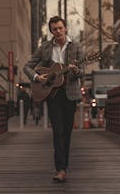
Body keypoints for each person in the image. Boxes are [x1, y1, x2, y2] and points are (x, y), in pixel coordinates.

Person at [23, 16, 84, 182]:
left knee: (67, 132)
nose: (57, 31)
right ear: (51, 31)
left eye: (60, 28)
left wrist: (75, 70)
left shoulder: (76, 47)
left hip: (70, 94)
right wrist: (37, 77)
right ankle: (61, 169)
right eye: (54, 29)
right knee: (58, 131)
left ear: (65, 28)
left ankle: (64, 166)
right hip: (53, 94)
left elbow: (82, 72)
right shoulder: (45, 47)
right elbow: (27, 67)